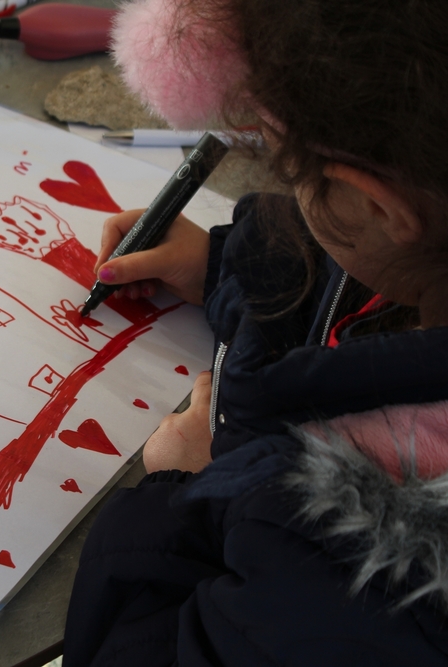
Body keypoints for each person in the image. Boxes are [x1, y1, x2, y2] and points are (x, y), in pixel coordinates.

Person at [63, 0, 448, 664]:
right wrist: (227, 265)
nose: (289, 190)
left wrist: (183, 493)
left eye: (291, 170)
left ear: (376, 205)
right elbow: (352, 271)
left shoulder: (356, 563)